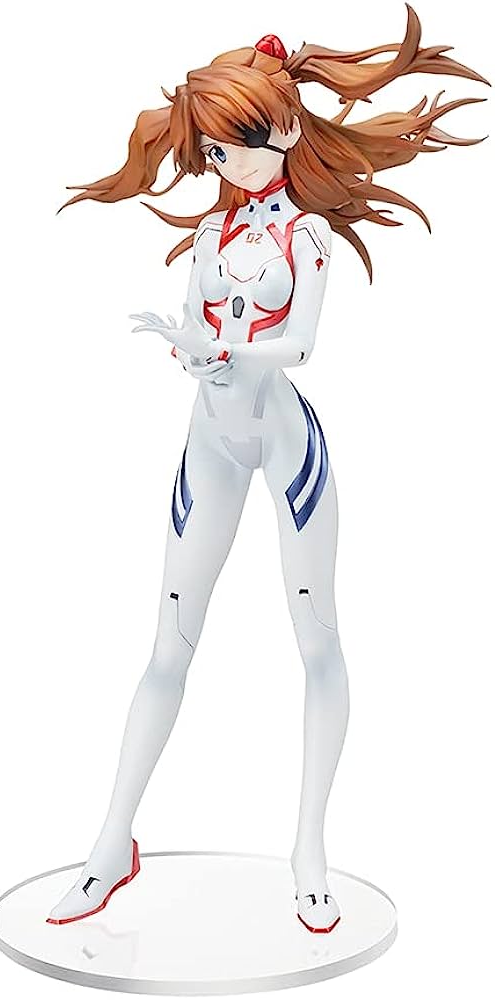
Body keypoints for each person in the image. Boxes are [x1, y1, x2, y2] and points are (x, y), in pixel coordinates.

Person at [46, 11, 488, 933]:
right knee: (168, 645)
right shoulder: (213, 235)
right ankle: (111, 843)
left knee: (316, 638)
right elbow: (198, 320)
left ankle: (309, 849)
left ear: (284, 127)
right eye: (214, 151)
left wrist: (227, 350)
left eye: (241, 142)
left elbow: (301, 344)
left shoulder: (306, 238)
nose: (230, 164)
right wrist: (189, 348)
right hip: (209, 439)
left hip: (287, 446)